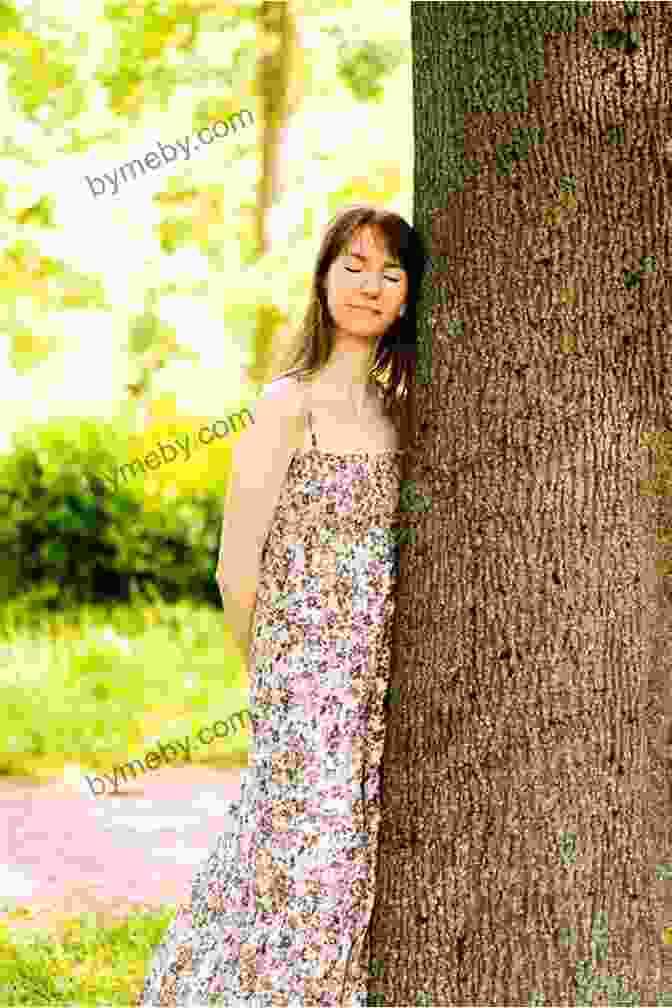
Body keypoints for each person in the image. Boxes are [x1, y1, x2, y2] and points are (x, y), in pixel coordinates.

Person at [136, 203, 427, 1007]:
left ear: (409, 297)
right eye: (355, 266)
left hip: (378, 685)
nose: (371, 286)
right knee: (305, 863)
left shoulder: (402, 416)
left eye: (391, 272)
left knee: (348, 864)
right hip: (303, 682)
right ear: (324, 280)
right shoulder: (284, 405)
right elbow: (237, 572)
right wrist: (271, 681)